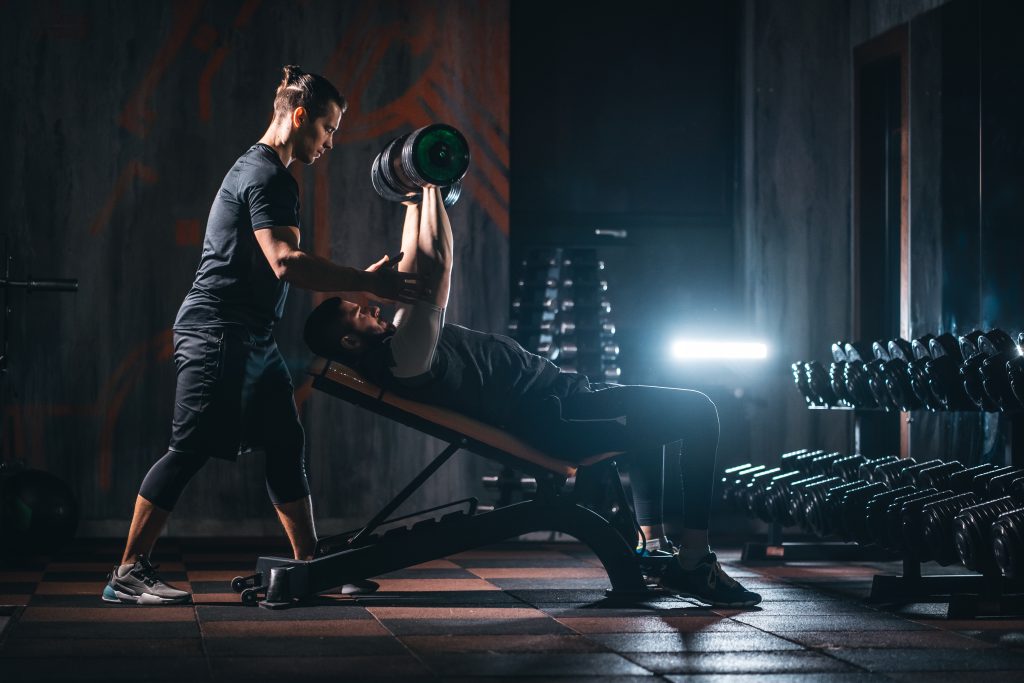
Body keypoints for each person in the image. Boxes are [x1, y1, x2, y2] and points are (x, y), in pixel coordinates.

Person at [303, 186, 761, 608]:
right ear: (348, 343)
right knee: (700, 412)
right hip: (558, 419)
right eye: (356, 311)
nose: (370, 305)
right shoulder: (404, 356)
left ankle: (654, 548)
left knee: (657, 416)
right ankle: (694, 562)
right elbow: (437, 267)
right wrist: (432, 189)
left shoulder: (396, 346)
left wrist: (411, 201)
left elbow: (411, 267)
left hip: (566, 397)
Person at [102, 65, 422, 605]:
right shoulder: (269, 176)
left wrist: (357, 283)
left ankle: (310, 564)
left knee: (284, 440)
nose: (330, 141)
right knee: (189, 448)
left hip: (250, 336)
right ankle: (128, 572)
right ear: (300, 117)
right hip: (217, 331)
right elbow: (286, 262)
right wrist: (366, 282)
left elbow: (282, 263)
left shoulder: (262, 171)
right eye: (328, 127)